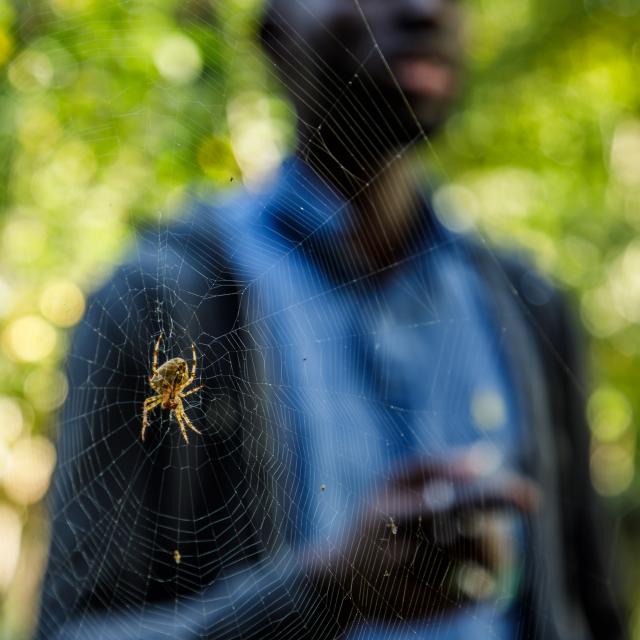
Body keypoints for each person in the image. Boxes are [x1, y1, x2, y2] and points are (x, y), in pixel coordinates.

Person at [36, 1, 625, 638]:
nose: (423, 8)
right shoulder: (160, 297)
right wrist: (325, 591)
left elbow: (592, 604)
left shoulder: (528, 302)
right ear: (275, 35)